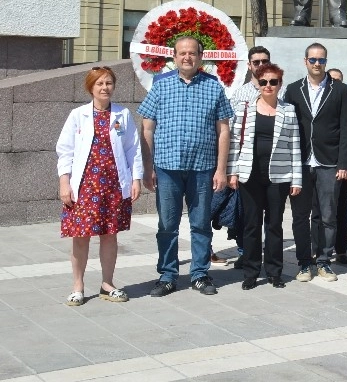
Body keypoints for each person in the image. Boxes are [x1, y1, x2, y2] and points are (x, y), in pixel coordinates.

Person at [138, 36, 234, 297]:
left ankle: (200, 274)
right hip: (167, 168)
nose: (187, 57)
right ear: (174, 57)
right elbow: (147, 128)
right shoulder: (160, 87)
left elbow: (223, 130)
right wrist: (148, 168)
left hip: (202, 168)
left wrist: (221, 169)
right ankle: (168, 275)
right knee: (167, 225)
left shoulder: (214, 88)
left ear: (200, 57)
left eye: (192, 53)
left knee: (200, 224)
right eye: (182, 53)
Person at [56, 67, 142, 305]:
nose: (105, 88)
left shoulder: (122, 114)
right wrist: (64, 181)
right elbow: (65, 151)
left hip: (114, 185)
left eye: (109, 83)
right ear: (91, 88)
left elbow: (132, 149)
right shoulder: (78, 115)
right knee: (80, 235)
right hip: (84, 185)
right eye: (100, 84)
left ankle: (107, 284)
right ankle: (78, 286)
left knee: (109, 235)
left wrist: (135, 179)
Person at [283, 43, 347, 282]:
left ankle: (324, 261)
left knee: (328, 215)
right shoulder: (293, 90)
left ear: (326, 61)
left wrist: (344, 163)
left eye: (321, 60)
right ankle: (305, 263)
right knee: (300, 216)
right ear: (305, 61)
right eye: (312, 60)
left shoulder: (341, 90)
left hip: (329, 162)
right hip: (300, 162)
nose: (317, 64)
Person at [227, 63, 302, 289]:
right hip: (250, 175)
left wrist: (297, 178)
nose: (268, 86)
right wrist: (233, 171)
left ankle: (274, 271)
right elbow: (234, 143)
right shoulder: (245, 108)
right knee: (251, 225)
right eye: (263, 82)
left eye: (273, 82)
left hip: (279, 177)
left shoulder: (288, 110)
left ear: (280, 84)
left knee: (274, 225)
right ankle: (250, 272)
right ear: (257, 84)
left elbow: (295, 146)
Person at [230, 46, 271, 110]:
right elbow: (232, 119)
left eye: (265, 61)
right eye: (256, 62)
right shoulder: (239, 94)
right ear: (249, 66)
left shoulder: (281, 92)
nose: (261, 65)